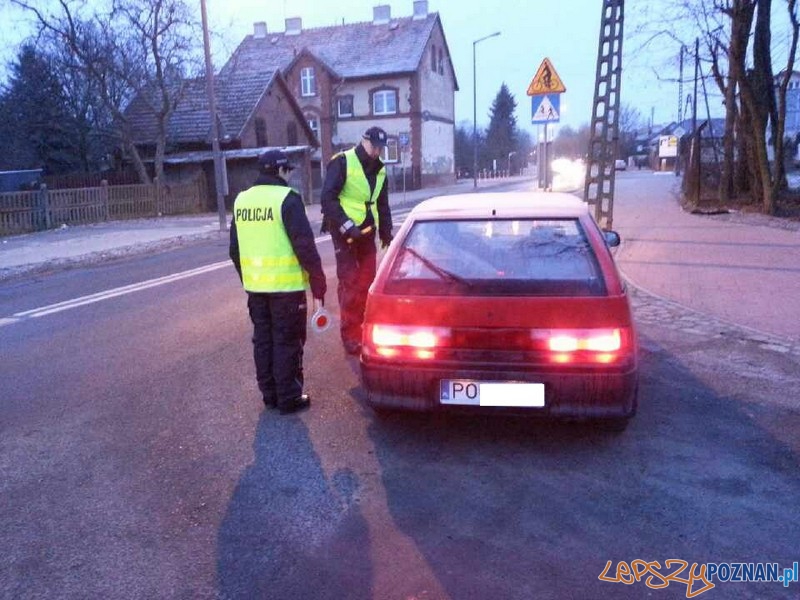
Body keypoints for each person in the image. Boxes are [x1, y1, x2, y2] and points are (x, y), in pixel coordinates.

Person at [229, 149, 326, 415]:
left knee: (263, 340)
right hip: (286, 290)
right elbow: (304, 246)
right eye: (288, 171)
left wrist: (249, 278)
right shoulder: (287, 199)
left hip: (256, 289)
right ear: (281, 170)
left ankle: (270, 394)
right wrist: (318, 282)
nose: (289, 176)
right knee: (287, 341)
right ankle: (289, 397)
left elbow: (234, 250)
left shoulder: (242, 201)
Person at [321, 126, 393, 355]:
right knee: (351, 281)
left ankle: (363, 326)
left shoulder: (380, 170)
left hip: (367, 229)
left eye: (381, 148)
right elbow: (327, 199)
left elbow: (382, 203)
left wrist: (386, 232)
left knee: (368, 281)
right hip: (344, 232)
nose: (377, 152)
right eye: (375, 146)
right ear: (364, 141)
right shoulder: (342, 162)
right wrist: (346, 225)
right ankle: (350, 334)